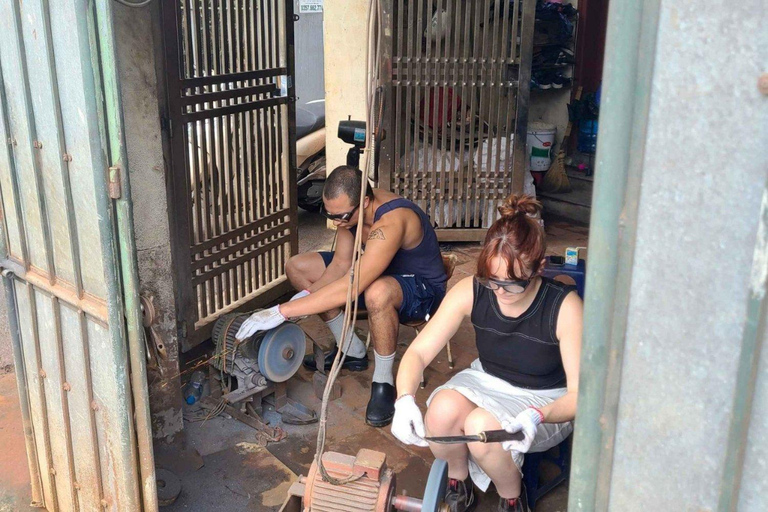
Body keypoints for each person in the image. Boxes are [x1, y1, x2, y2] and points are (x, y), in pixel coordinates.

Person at [390, 195, 582, 512]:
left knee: (483, 426)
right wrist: (404, 399)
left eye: (513, 284)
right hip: (489, 378)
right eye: (493, 281)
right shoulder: (473, 290)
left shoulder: (564, 308)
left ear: (540, 268)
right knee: (439, 412)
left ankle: (511, 496)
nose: (501, 292)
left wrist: (540, 415)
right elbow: (419, 353)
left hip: (545, 397)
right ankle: (458, 482)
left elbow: (579, 395)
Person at [236, 165, 448, 427]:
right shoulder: (350, 212)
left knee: (376, 293)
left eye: (341, 216)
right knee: (298, 267)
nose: (337, 222)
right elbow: (339, 266)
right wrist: (303, 298)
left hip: (420, 288)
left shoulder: (392, 220)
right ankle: (352, 349)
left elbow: (352, 285)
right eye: (330, 214)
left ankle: (383, 383)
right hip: (374, 273)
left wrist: (282, 311)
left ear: (365, 202)